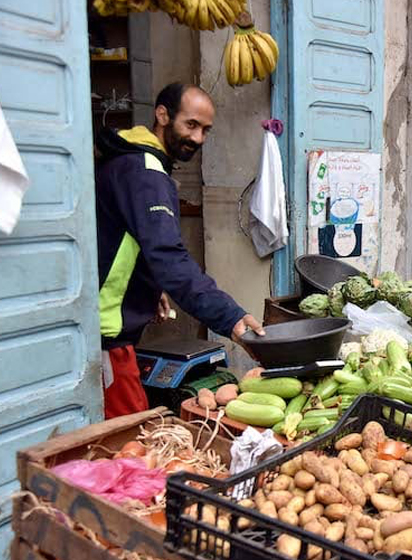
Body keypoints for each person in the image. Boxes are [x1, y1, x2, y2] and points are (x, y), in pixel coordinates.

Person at [95, 83, 265, 419]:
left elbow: (127, 236)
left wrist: (148, 285)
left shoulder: (130, 161)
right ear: (162, 115)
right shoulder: (146, 172)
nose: (199, 138)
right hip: (106, 334)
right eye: (191, 125)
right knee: (126, 436)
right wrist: (230, 318)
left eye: (205, 130)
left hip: (112, 325)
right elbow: (170, 258)